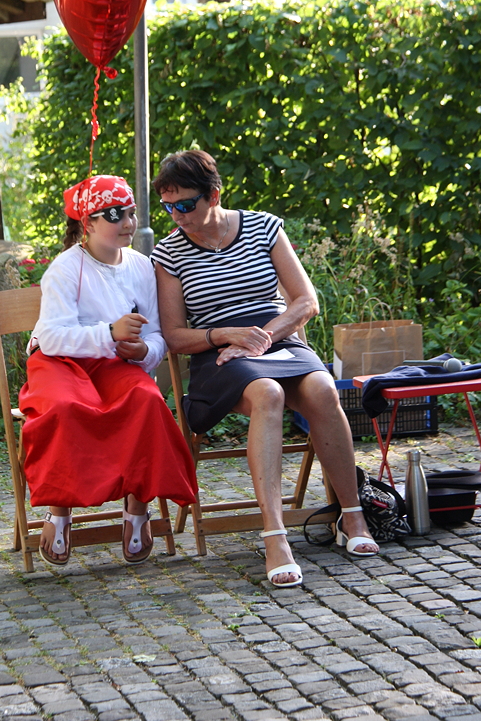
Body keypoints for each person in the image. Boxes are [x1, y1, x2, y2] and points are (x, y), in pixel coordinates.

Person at [150, 150, 379, 587]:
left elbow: (306, 301)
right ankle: (275, 536)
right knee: (268, 393)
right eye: (168, 206)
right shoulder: (169, 253)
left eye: (185, 204)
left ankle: (352, 515)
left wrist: (263, 337)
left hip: (278, 340)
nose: (177, 216)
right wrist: (226, 335)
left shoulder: (264, 227)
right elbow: (174, 336)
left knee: (323, 389)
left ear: (214, 195)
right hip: (218, 355)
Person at [19, 174, 197, 566]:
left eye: (131, 213)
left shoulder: (141, 266)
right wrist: (109, 332)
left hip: (114, 361)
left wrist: (143, 350)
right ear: (89, 223)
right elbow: (51, 336)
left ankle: (137, 509)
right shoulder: (66, 268)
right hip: (59, 360)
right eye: (116, 215)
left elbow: (156, 334)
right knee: (65, 408)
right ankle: (59, 510)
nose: (128, 223)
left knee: (146, 401)